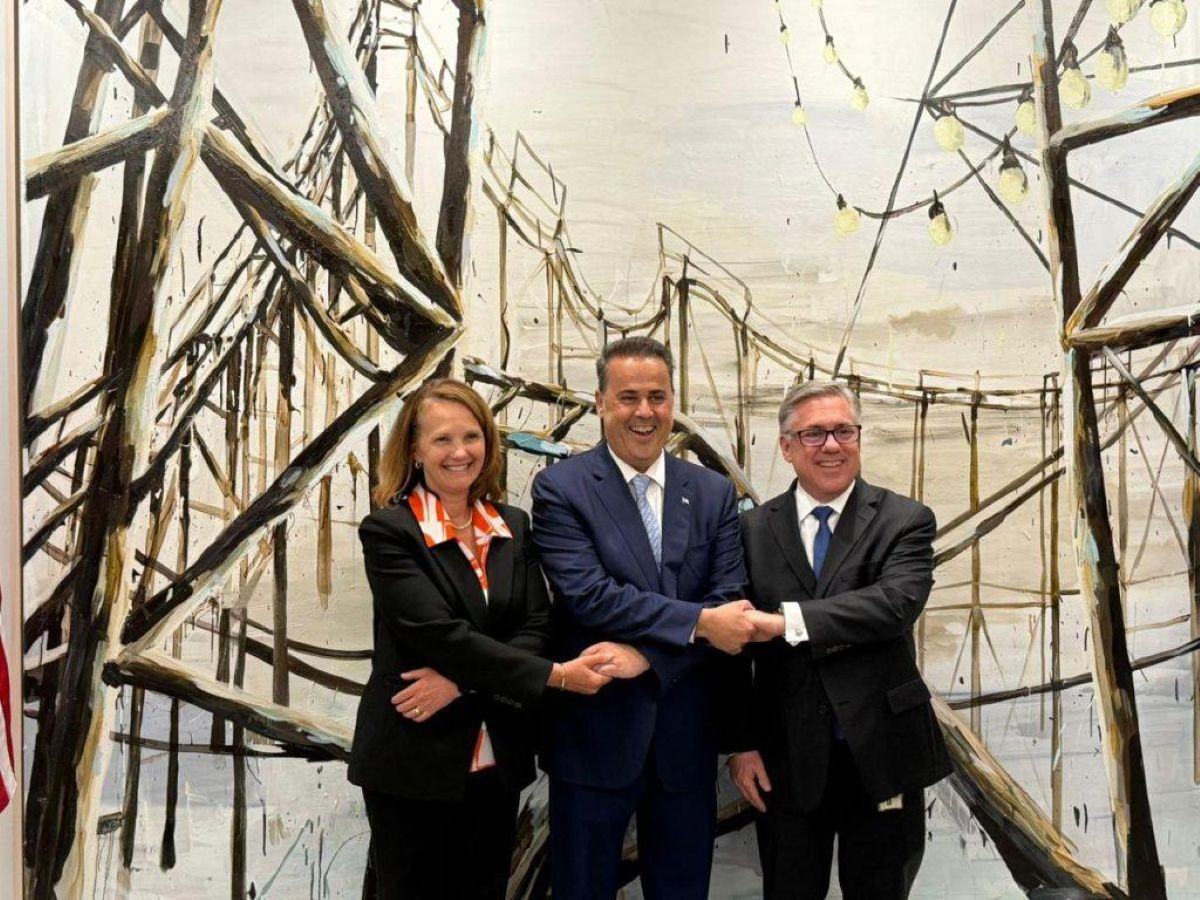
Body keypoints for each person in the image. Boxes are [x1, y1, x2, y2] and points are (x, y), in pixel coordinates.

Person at [349, 378, 619, 900]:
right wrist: (556, 676)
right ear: (414, 450)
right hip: (412, 760)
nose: (460, 452)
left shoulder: (512, 525)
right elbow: (439, 636)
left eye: (472, 436)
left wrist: (462, 685)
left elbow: (538, 626)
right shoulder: (389, 532)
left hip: (498, 758)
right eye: (442, 439)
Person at [531, 336, 755, 900]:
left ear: (673, 400)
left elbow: (730, 603)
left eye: (657, 396)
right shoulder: (560, 488)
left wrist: (646, 656)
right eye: (628, 397)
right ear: (600, 401)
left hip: (687, 744)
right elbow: (590, 596)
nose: (644, 412)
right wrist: (700, 623)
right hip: (593, 740)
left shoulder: (713, 493)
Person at [728, 381, 952, 899]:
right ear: (787, 447)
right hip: (784, 758)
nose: (832, 445)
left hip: (883, 754)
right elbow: (734, 651)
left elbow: (893, 606)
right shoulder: (750, 531)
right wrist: (739, 744)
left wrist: (785, 622)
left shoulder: (905, 520)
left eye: (844, 431)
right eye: (814, 434)